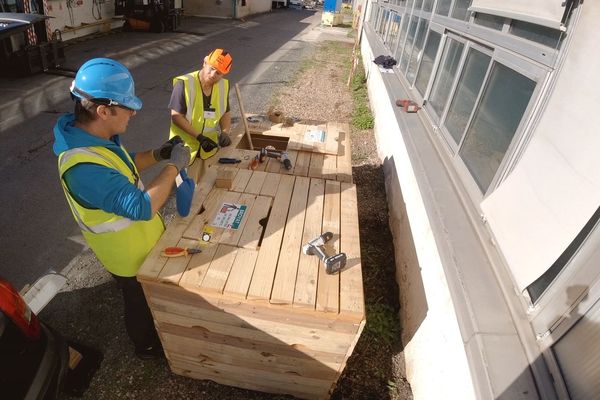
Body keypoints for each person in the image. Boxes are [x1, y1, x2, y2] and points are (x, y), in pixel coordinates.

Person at [52, 58, 191, 360]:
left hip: (140, 243)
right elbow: (143, 206)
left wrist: (158, 154)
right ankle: (147, 347)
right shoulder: (84, 169)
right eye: (127, 106)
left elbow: (125, 163)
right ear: (103, 111)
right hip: (128, 256)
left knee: (145, 297)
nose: (134, 111)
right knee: (138, 302)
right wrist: (173, 166)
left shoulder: (93, 139)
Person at [168, 48, 233, 182]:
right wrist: (200, 137)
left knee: (205, 188)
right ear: (204, 62)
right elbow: (176, 117)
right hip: (185, 151)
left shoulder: (223, 86)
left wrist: (225, 132)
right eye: (212, 68)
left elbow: (225, 112)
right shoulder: (184, 83)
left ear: (224, 74)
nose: (213, 74)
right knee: (185, 193)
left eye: (219, 73)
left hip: (208, 150)